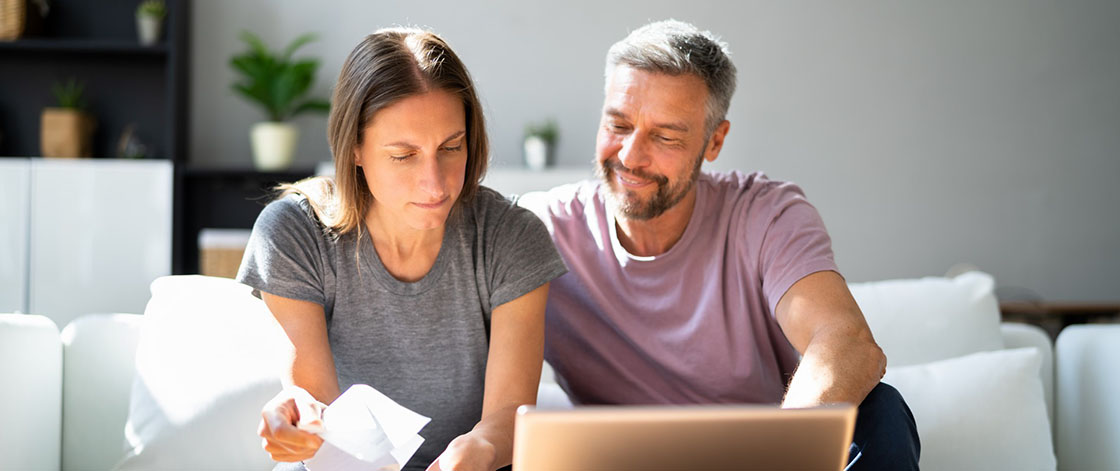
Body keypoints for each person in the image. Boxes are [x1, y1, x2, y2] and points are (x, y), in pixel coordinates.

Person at [517, 20, 920, 469]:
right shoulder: (539, 231)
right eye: (618, 124)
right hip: (622, 461)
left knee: (881, 410)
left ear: (715, 141)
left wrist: (783, 454)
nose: (630, 155)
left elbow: (845, 344)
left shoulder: (766, 214)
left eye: (665, 136)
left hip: (761, 458)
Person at [237, 27, 567, 471]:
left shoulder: (511, 237)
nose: (435, 183)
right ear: (354, 148)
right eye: (403, 155)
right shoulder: (296, 233)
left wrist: (484, 448)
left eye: (452, 147)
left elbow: (509, 416)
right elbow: (315, 402)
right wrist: (298, 421)